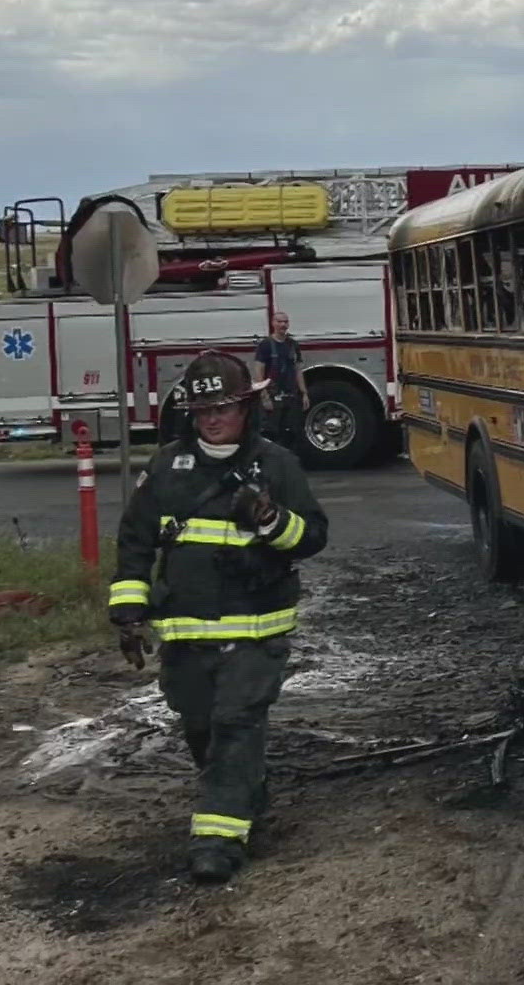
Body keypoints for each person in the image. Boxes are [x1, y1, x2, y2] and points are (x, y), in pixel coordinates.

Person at [107, 351, 328, 884]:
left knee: (236, 722)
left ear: (246, 408)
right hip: (185, 634)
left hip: (257, 631)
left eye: (223, 407)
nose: (212, 418)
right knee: (202, 726)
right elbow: (135, 540)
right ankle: (244, 791)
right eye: (203, 408)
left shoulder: (277, 465)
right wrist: (128, 608)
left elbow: (314, 537)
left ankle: (218, 840)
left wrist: (273, 521)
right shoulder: (166, 467)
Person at [255, 313, 309, 454]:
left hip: (290, 396)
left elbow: (298, 369)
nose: (283, 325)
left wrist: (304, 393)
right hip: (273, 396)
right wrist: (264, 396)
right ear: (273, 323)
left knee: (291, 433)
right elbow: (259, 371)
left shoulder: (293, 345)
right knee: (271, 433)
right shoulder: (265, 345)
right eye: (279, 322)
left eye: (285, 322)